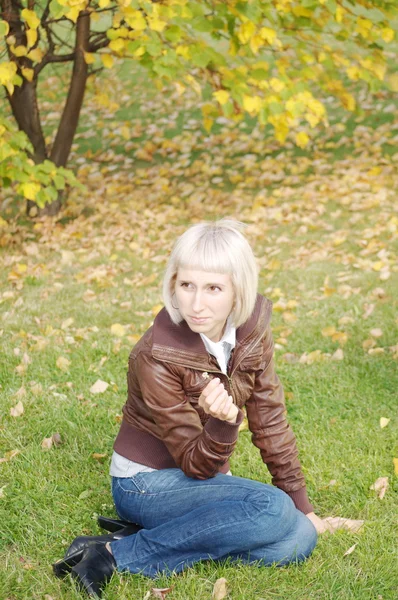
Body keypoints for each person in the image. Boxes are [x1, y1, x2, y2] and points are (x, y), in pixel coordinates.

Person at [54, 219, 322, 598]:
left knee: (297, 540)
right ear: (173, 284)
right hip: (144, 483)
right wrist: (224, 422)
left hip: (205, 481)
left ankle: (169, 535)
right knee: (271, 509)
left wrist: (304, 507)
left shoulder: (252, 332)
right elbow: (196, 466)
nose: (196, 304)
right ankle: (112, 553)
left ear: (237, 290)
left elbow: (271, 418)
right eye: (186, 286)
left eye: (214, 288)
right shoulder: (155, 355)